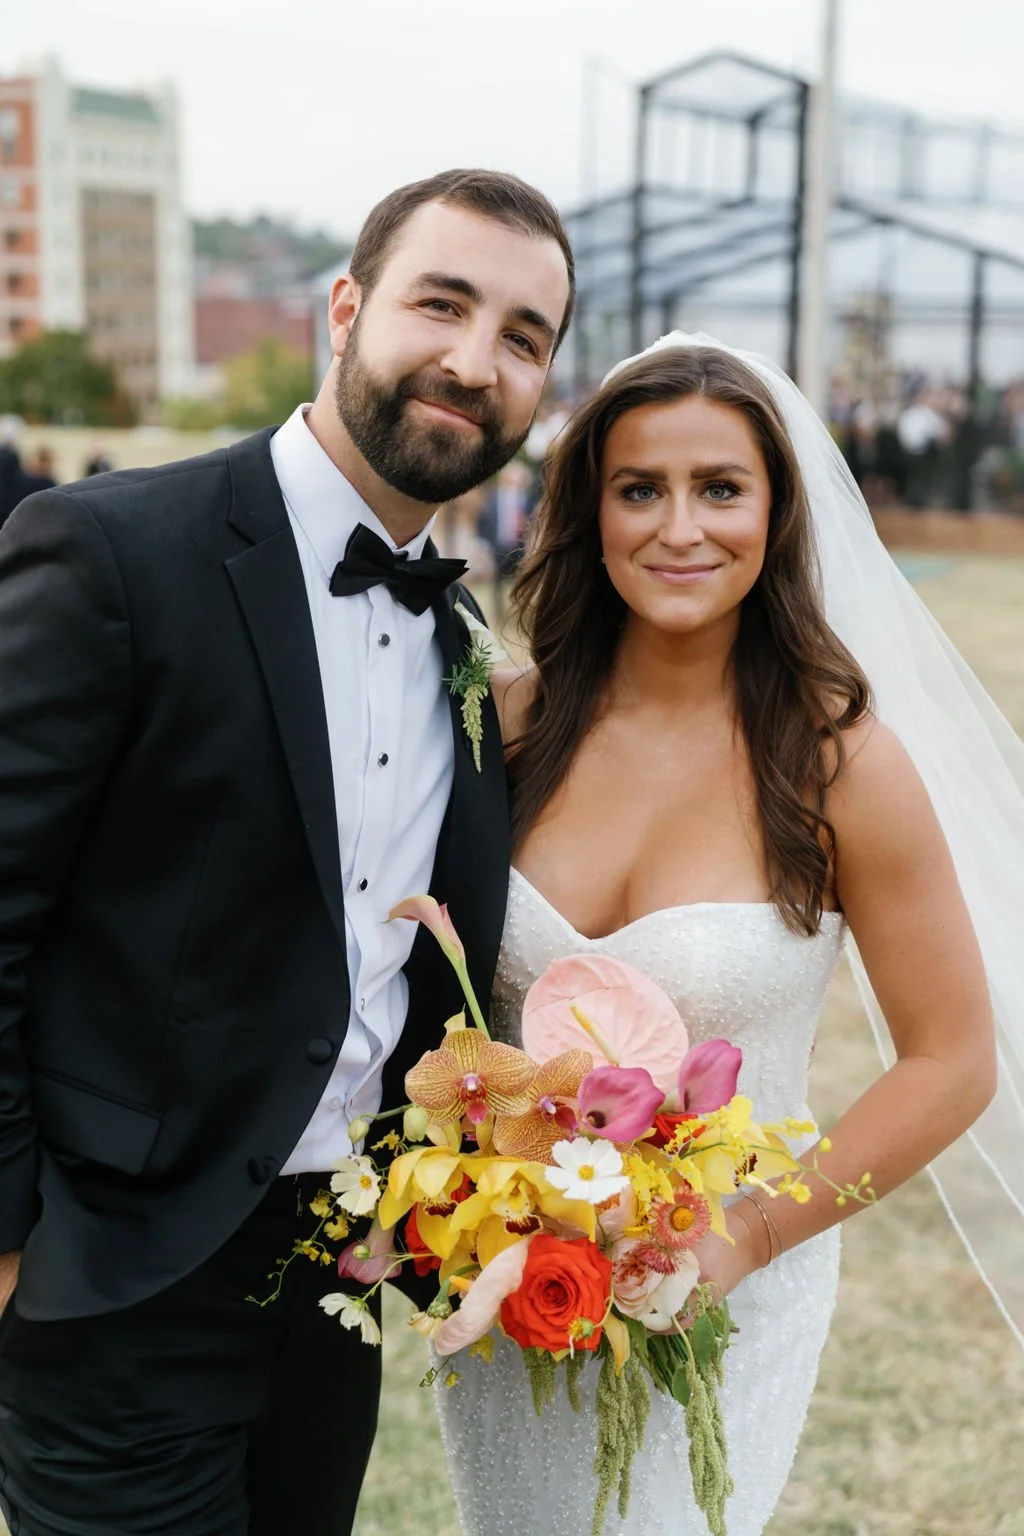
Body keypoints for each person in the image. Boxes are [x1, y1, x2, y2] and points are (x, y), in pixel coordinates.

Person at [0, 167, 573, 1536]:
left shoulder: (468, 648)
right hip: (113, 1286)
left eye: (521, 336)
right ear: (345, 305)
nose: (471, 359)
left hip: (339, 1287)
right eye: (442, 303)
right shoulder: (114, 550)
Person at [434, 334, 1024, 1536]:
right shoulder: (507, 725)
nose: (679, 528)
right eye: (639, 489)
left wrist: (746, 1234)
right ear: (588, 511)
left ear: (777, 511)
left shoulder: (837, 761)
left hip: (729, 1287)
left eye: (720, 489)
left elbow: (952, 1059)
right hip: (516, 1281)